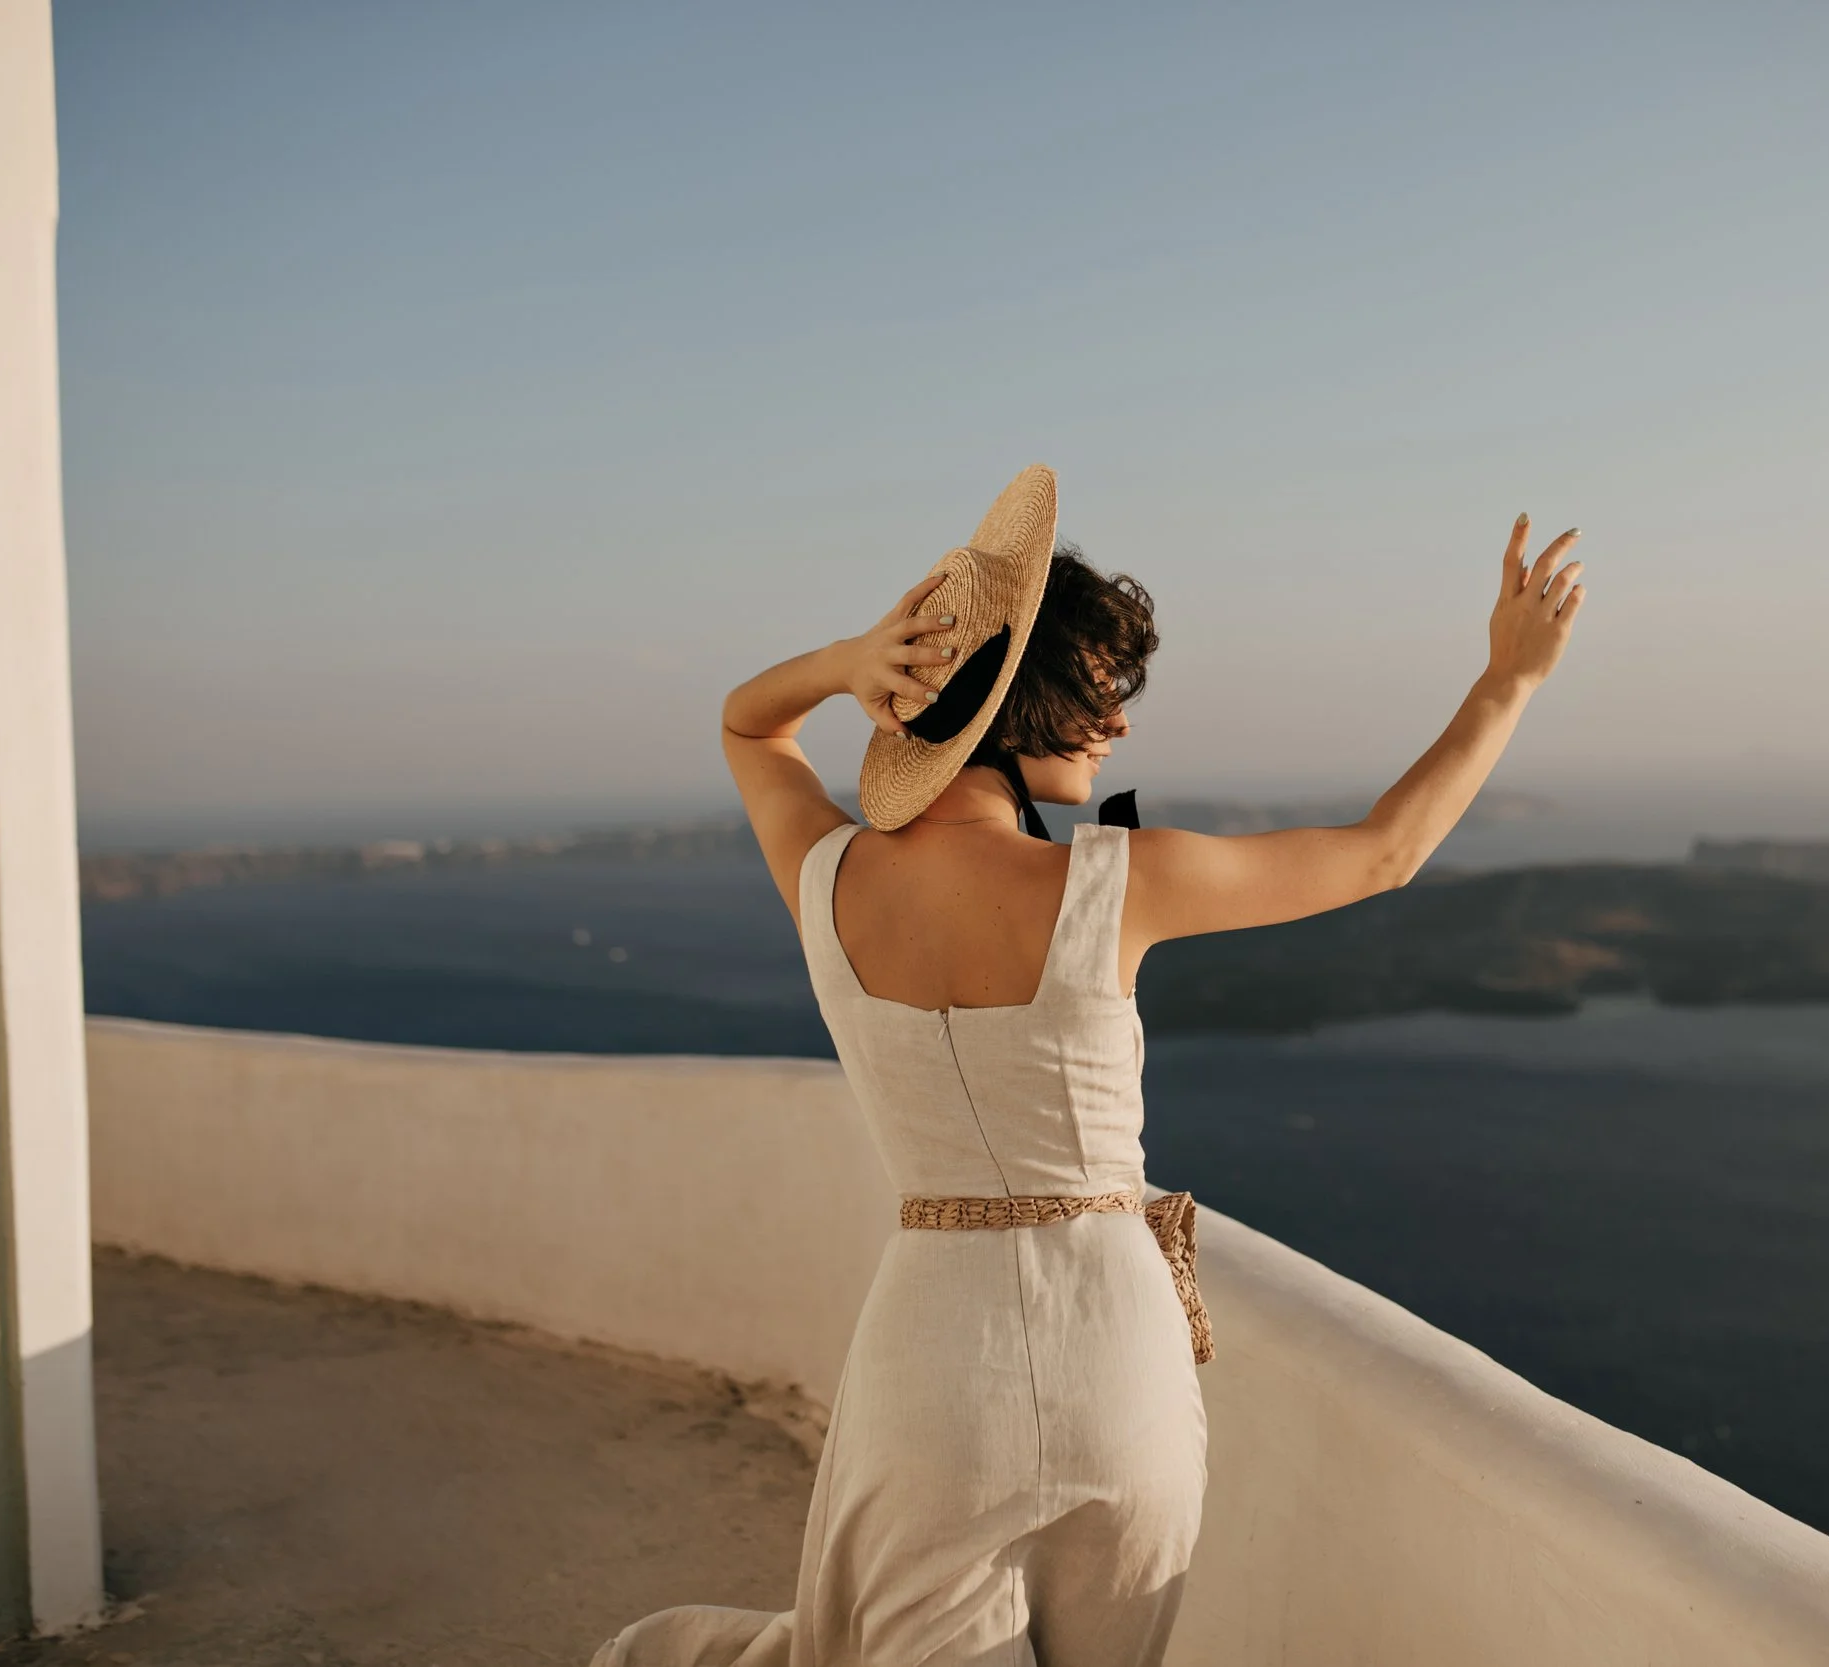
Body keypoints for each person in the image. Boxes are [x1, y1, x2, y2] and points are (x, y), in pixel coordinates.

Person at [591, 465, 1584, 1667]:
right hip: (1118, 1347)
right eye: (1098, 695)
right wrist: (1507, 677)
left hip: (931, 1358)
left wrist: (854, 659)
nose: (1116, 726)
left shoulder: (823, 879)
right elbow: (1384, 853)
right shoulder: (1111, 884)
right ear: (1020, 703)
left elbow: (749, 721)